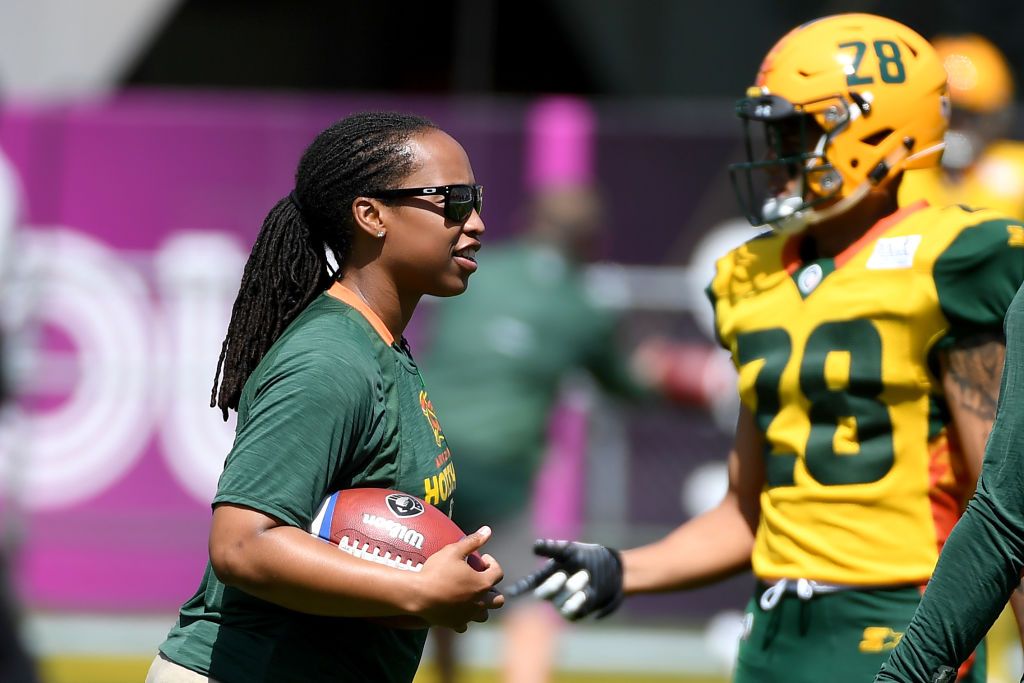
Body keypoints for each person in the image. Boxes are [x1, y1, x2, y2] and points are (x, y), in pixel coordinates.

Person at [507, 13, 1024, 683]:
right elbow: (749, 511)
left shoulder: (953, 260)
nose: (775, 154)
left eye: (796, 132)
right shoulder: (752, 276)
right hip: (773, 634)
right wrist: (623, 566)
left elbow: (1008, 506)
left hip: (904, 623)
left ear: (875, 130)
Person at [146, 112, 503, 683]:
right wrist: (416, 591)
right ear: (371, 215)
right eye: (453, 201)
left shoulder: (382, 346)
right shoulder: (329, 359)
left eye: (477, 199)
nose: (477, 222)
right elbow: (241, 545)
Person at [899, 33, 1024, 220]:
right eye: (949, 115)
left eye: (971, 117)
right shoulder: (901, 171)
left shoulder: (1017, 168)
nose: (958, 127)